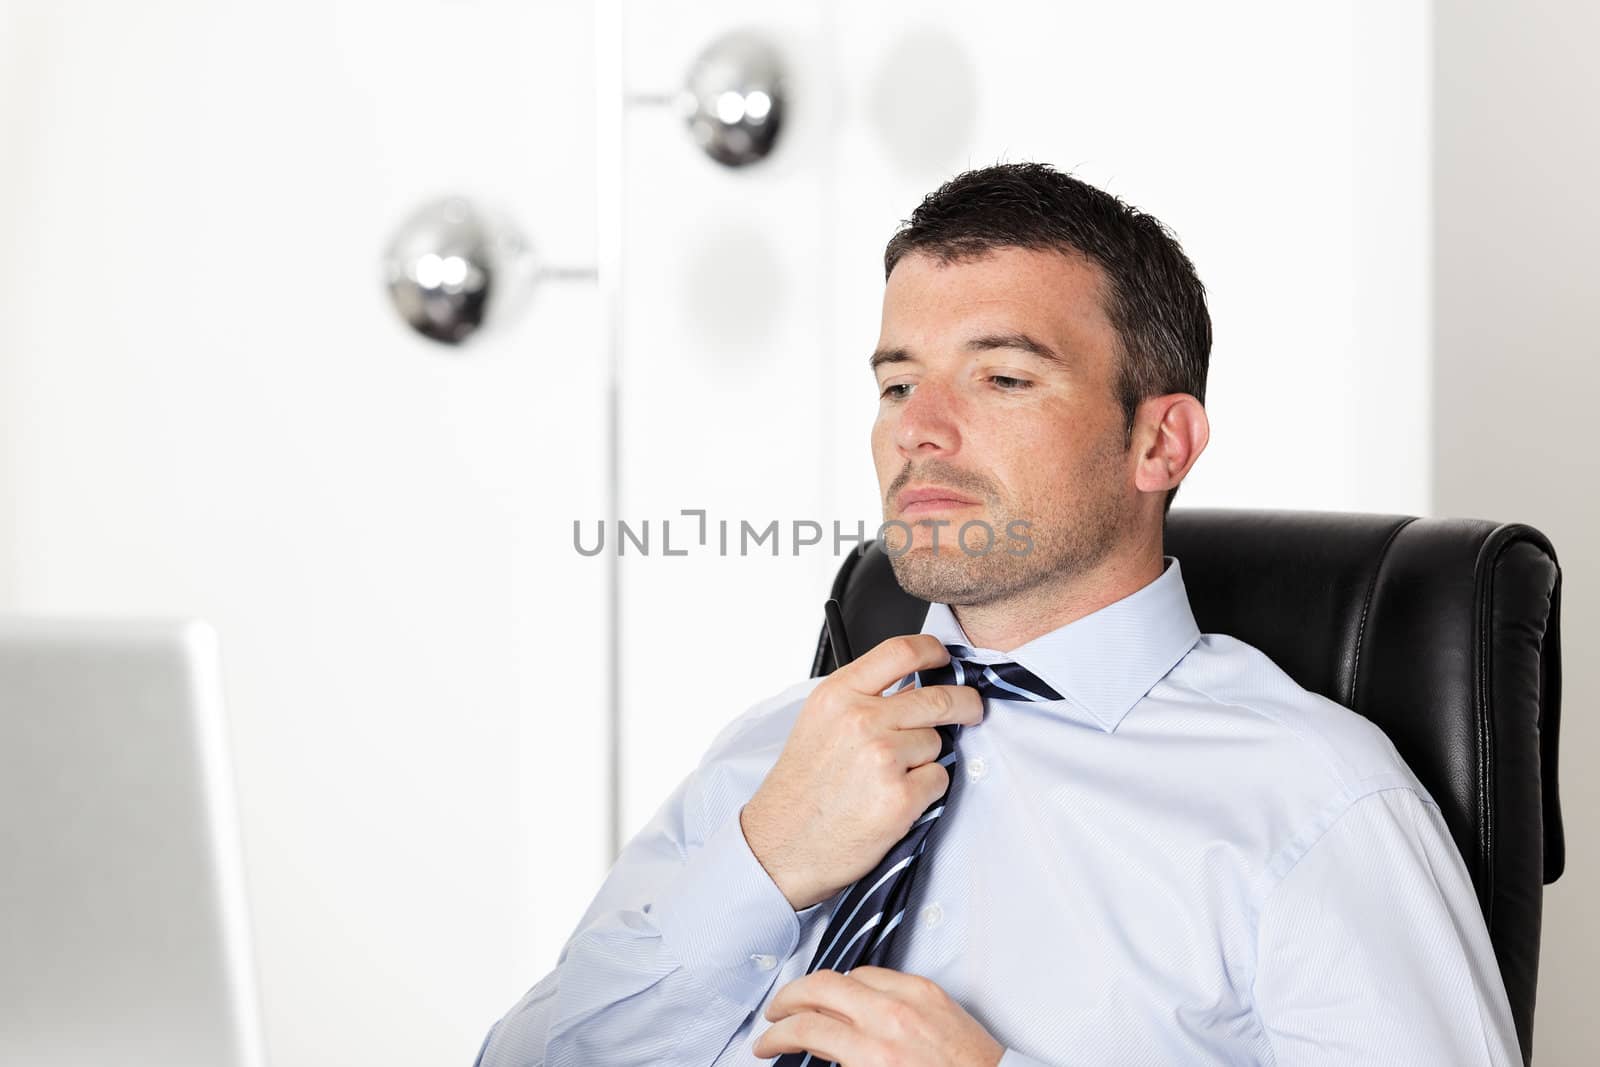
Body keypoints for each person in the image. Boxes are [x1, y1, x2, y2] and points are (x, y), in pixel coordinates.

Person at [473, 162, 1520, 1066]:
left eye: (1002, 375)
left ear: (1159, 443)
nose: (918, 431)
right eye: (895, 385)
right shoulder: (775, 756)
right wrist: (762, 867)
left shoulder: (1312, 805)